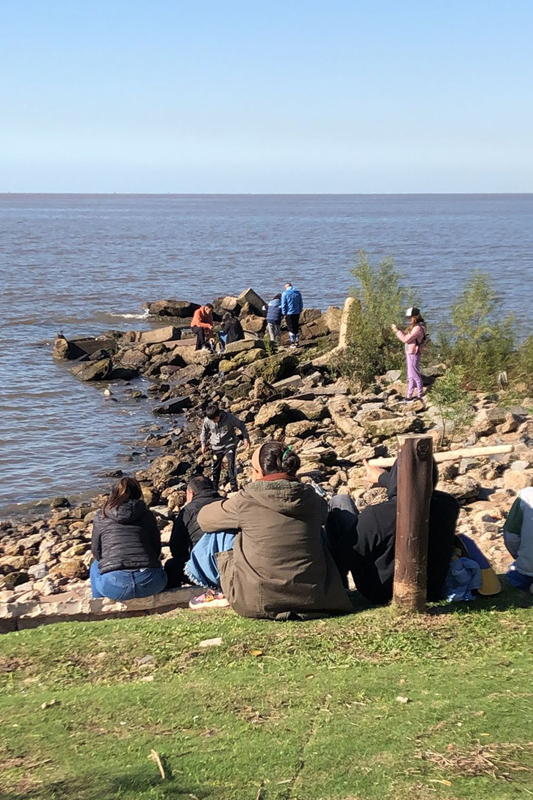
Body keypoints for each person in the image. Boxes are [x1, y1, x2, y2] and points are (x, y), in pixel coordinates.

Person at [188, 441, 353, 617]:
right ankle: (342, 579)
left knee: (220, 532)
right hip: (316, 597)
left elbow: (204, 519)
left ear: (259, 473)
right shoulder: (311, 497)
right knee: (317, 528)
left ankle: (217, 589)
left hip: (258, 601)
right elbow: (324, 515)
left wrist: (231, 507)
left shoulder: (246, 499)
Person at [352, 458, 459, 604]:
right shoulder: (448, 505)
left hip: (380, 592)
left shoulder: (376, 514)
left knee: (342, 503)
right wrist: (384, 478)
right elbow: (416, 487)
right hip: (432, 589)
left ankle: (337, 589)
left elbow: (353, 554)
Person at [90, 477, 168, 600]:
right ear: (138, 493)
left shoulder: (101, 516)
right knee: (155, 561)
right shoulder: (147, 514)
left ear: (113, 493)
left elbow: (96, 550)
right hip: (150, 582)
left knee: (95, 565)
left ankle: (98, 602)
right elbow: (156, 548)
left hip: (115, 585)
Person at [164, 475, 223, 588]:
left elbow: (176, 549)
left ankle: (178, 596)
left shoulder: (187, 511)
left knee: (171, 566)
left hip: (205, 569)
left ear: (191, 493)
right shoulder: (228, 504)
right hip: (232, 565)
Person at [200, 403, 251, 492]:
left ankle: (233, 485)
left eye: (214, 419)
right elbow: (204, 432)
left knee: (231, 463)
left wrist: (246, 438)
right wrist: (203, 444)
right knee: (215, 467)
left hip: (229, 443)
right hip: (216, 446)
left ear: (219, 415)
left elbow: (241, 425)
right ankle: (215, 487)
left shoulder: (229, 418)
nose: (213, 421)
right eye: (211, 420)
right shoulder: (207, 420)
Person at [391, 307, 427, 400]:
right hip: (411, 352)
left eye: (410, 317)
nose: (409, 319)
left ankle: (419, 394)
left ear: (415, 317)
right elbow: (408, 337)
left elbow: (405, 339)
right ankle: (409, 395)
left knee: (415, 374)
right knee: (410, 375)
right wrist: (399, 330)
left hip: (413, 353)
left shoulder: (417, 328)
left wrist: (396, 331)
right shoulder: (420, 327)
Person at [503, 487, 533, 592]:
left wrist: (519, 555)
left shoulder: (526, 496)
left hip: (528, 569)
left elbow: (510, 536)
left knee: (514, 572)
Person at [281, 282, 303, 347]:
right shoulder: (298, 292)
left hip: (289, 313)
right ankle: (297, 341)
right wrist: (300, 310)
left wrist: (284, 313)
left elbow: (283, 304)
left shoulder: (285, 293)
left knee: (290, 328)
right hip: (297, 312)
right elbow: (300, 302)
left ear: (286, 287)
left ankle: (292, 343)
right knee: (296, 326)